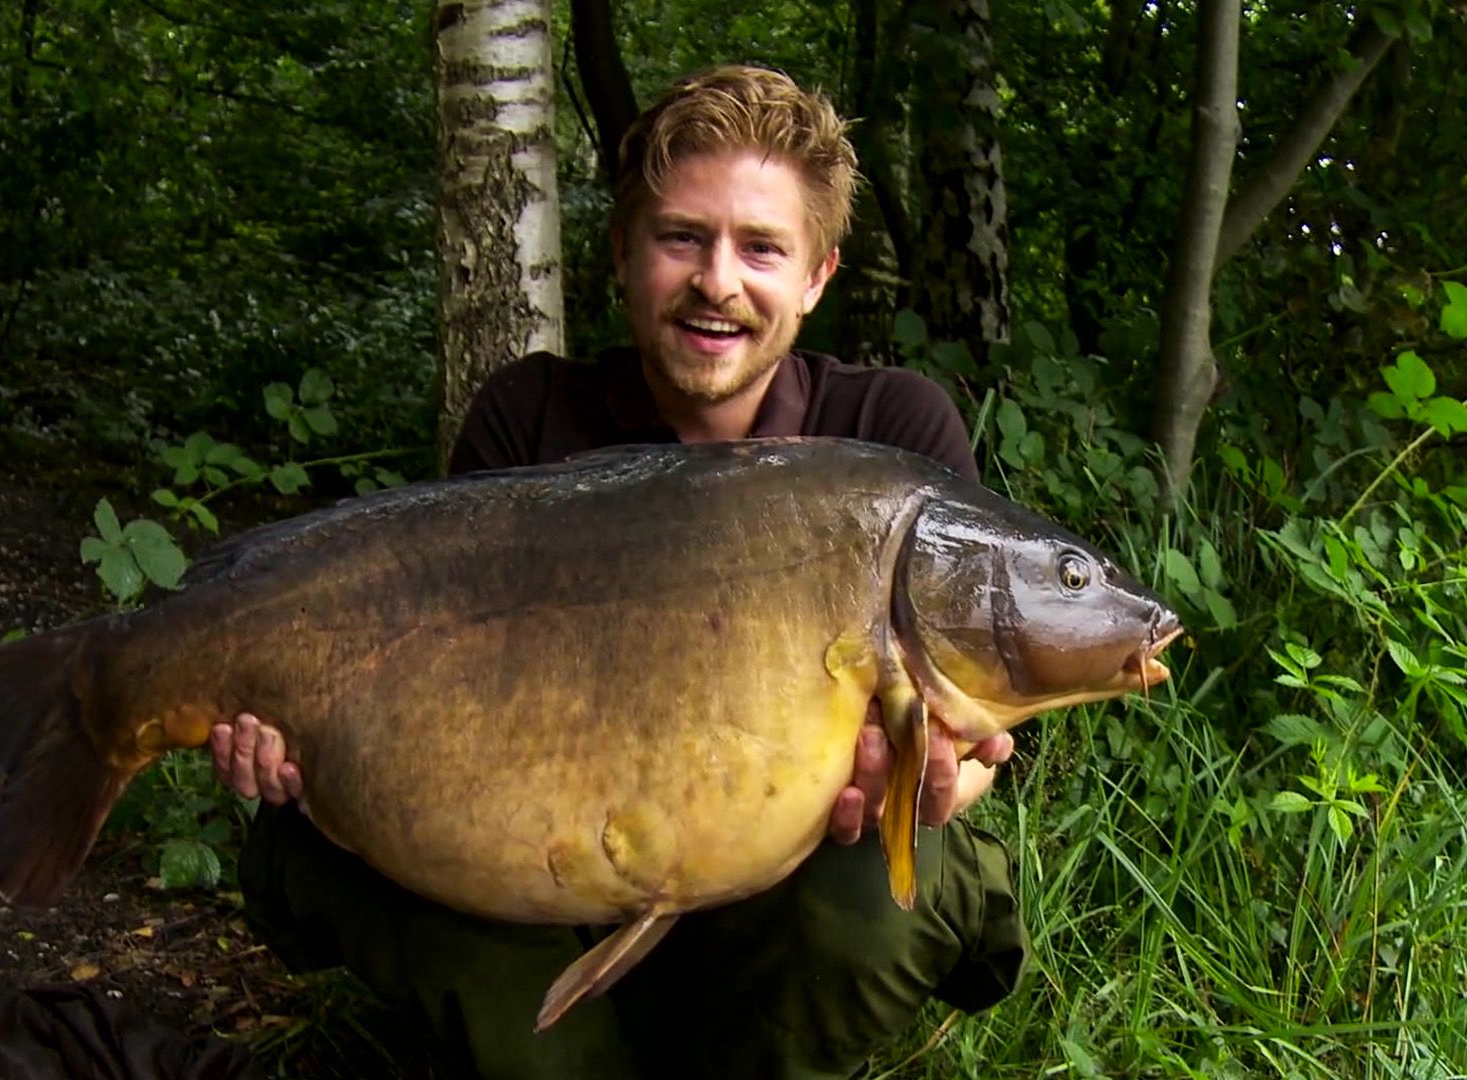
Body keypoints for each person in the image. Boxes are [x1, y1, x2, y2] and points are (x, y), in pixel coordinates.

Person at [207, 65, 1027, 1079]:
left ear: (818, 277)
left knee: (881, 895)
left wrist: (954, 775)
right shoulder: (528, 421)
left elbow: (975, 724)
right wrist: (310, 748)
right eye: (683, 237)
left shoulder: (891, 437)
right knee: (315, 844)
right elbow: (422, 689)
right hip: (545, 873)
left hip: (786, 892)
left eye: (762, 248)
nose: (717, 281)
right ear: (622, 252)